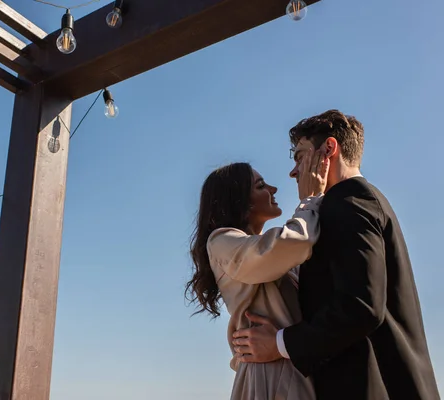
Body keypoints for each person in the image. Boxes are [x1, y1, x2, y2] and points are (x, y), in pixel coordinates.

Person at [232, 110, 440, 399]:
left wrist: (280, 343)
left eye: (300, 155)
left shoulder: (347, 203)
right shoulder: (365, 200)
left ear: (328, 149)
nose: (294, 171)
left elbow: (361, 306)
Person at [186, 151, 329, 400]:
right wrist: (310, 199)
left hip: (284, 364)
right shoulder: (221, 242)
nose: (273, 189)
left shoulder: (262, 250)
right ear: (240, 201)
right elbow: (296, 242)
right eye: (261, 186)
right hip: (269, 375)